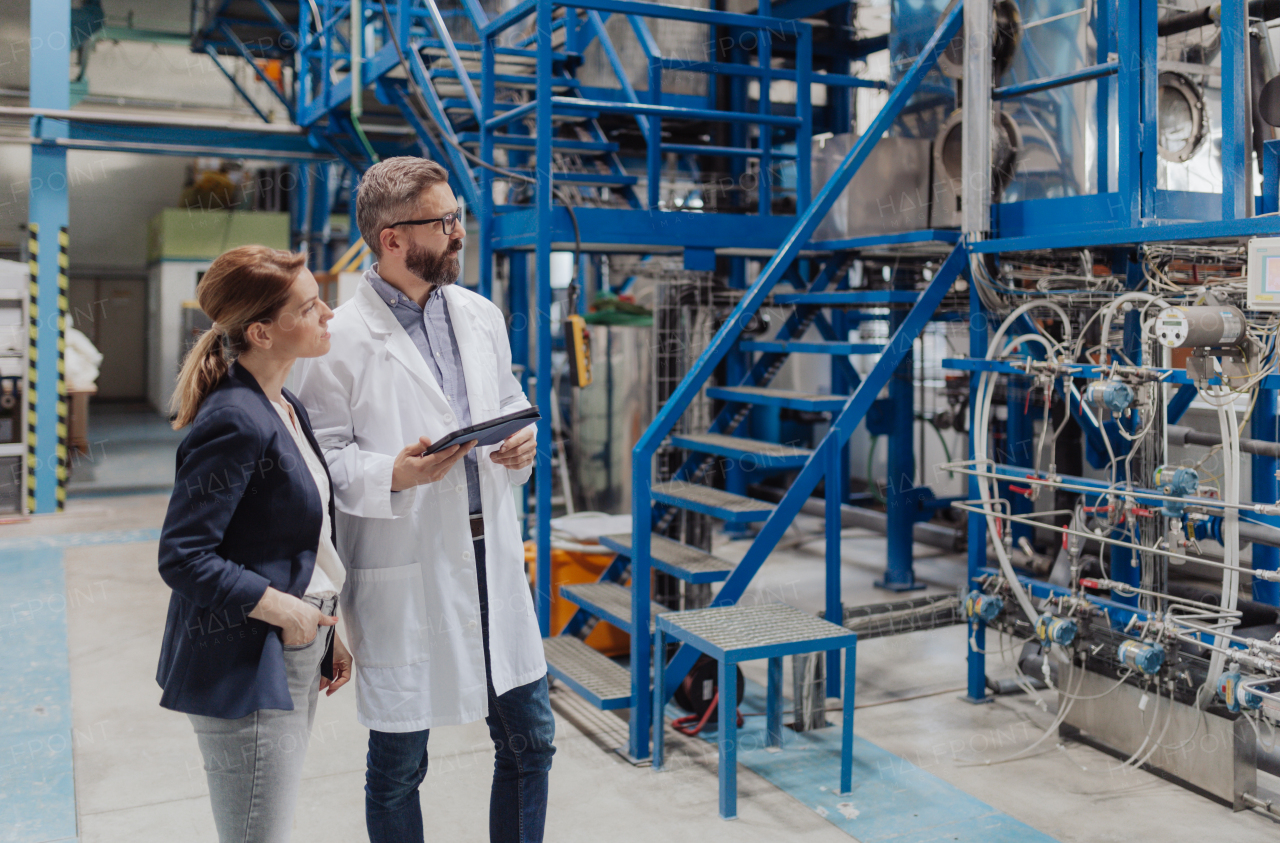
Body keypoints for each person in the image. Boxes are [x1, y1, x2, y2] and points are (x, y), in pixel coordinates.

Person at [294, 156, 551, 843]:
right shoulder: (336, 338)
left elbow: (508, 403)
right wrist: (394, 474)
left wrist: (521, 440)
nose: (458, 232)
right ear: (393, 239)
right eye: (443, 222)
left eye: (457, 217)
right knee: (400, 764)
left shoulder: (480, 315)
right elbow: (322, 465)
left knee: (531, 738)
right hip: (404, 563)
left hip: (490, 551)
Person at [156, 245, 353, 843]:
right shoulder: (236, 418)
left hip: (294, 641)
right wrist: (288, 610)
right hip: (245, 657)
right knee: (255, 833)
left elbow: (294, 535)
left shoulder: (284, 405)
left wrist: (326, 624)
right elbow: (183, 554)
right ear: (263, 331)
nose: (329, 316)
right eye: (311, 306)